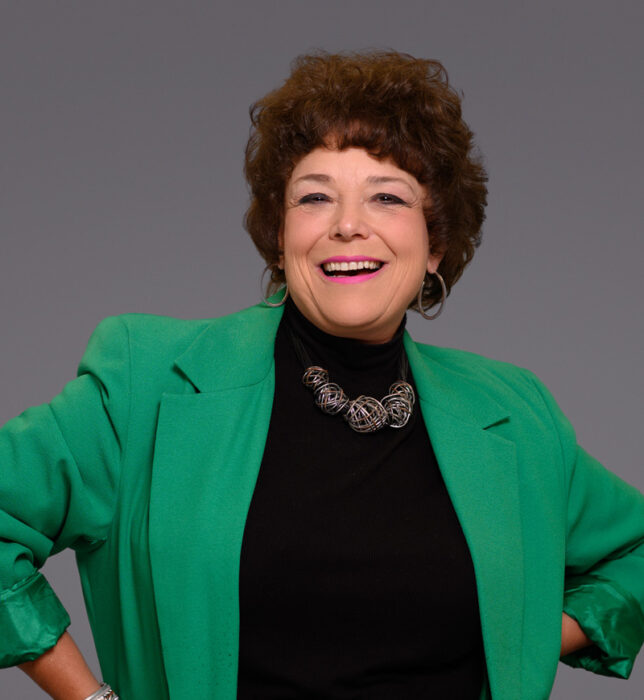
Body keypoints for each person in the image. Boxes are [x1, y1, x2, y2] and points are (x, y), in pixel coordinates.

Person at [1, 50, 643, 700]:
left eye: (387, 197)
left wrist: (518, 641)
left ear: (436, 245)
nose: (347, 225)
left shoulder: (516, 414)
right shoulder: (145, 383)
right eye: (315, 197)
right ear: (281, 238)